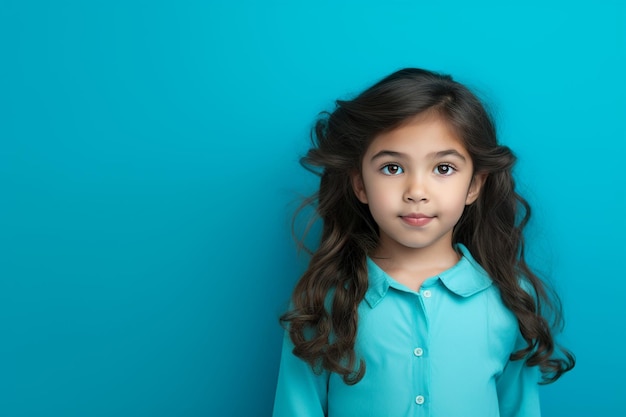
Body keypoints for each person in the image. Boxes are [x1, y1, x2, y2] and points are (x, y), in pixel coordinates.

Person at [272, 68, 575, 417]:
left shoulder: (509, 297)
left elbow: (519, 408)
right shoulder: (324, 297)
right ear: (359, 184)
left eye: (443, 168)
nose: (417, 192)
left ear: (474, 185)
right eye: (392, 168)